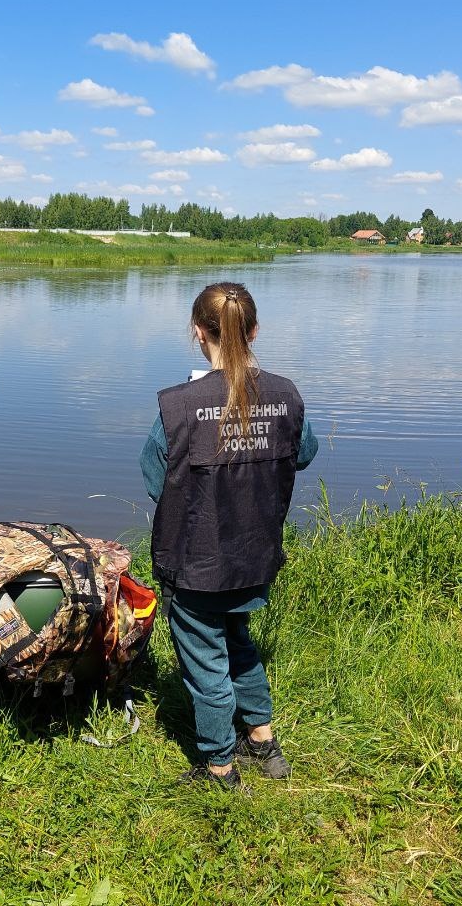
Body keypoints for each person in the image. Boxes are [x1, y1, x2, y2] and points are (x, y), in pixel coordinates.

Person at [140, 281, 318, 790]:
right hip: (256, 555)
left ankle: (219, 766)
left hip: (197, 562)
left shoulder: (180, 405)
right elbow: (303, 453)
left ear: (198, 332)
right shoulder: (285, 395)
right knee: (239, 641)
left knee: (205, 663)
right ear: (254, 331)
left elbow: (155, 476)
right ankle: (262, 740)